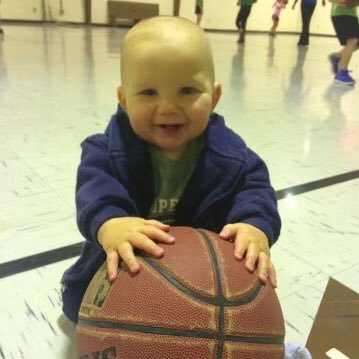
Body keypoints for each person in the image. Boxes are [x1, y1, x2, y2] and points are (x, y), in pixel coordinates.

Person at [328, 0, 359, 85]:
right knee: (353, 41)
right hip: (342, 14)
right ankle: (342, 73)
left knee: (356, 43)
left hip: (350, 14)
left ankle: (337, 56)